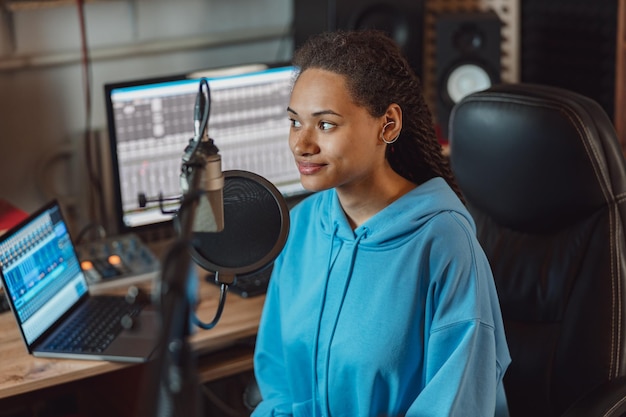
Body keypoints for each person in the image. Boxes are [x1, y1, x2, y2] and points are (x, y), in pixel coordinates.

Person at [252, 29, 511, 417]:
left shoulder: (444, 244)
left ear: (387, 124)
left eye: (325, 125)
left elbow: (456, 406)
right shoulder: (302, 225)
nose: (301, 144)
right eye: (294, 122)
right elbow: (279, 380)